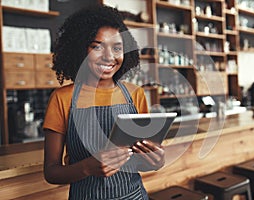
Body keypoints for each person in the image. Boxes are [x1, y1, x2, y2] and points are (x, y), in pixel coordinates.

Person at [43, 5, 165, 200]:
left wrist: (156, 161)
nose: (109, 56)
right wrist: (86, 168)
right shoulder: (62, 98)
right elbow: (51, 172)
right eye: (97, 46)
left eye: (117, 48)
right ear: (80, 49)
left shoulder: (135, 94)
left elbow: (142, 160)